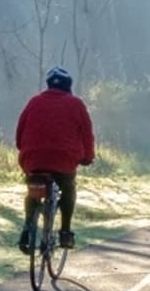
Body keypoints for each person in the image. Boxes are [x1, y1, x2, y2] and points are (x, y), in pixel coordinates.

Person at [15, 66, 95, 251]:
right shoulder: (76, 104)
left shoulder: (34, 102)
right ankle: (65, 232)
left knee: (32, 191)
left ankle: (28, 228)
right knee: (68, 188)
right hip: (63, 162)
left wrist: (26, 151)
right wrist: (88, 157)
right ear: (69, 86)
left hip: (33, 160)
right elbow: (87, 135)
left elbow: (19, 133)